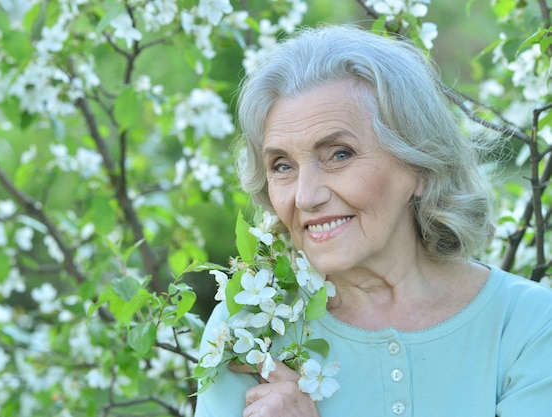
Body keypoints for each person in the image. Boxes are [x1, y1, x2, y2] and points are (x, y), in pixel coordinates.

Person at [195, 24, 552, 417]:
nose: (306, 196)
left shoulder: (528, 324)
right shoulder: (248, 330)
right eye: (282, 165)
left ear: (420, 166)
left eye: (339, 154)